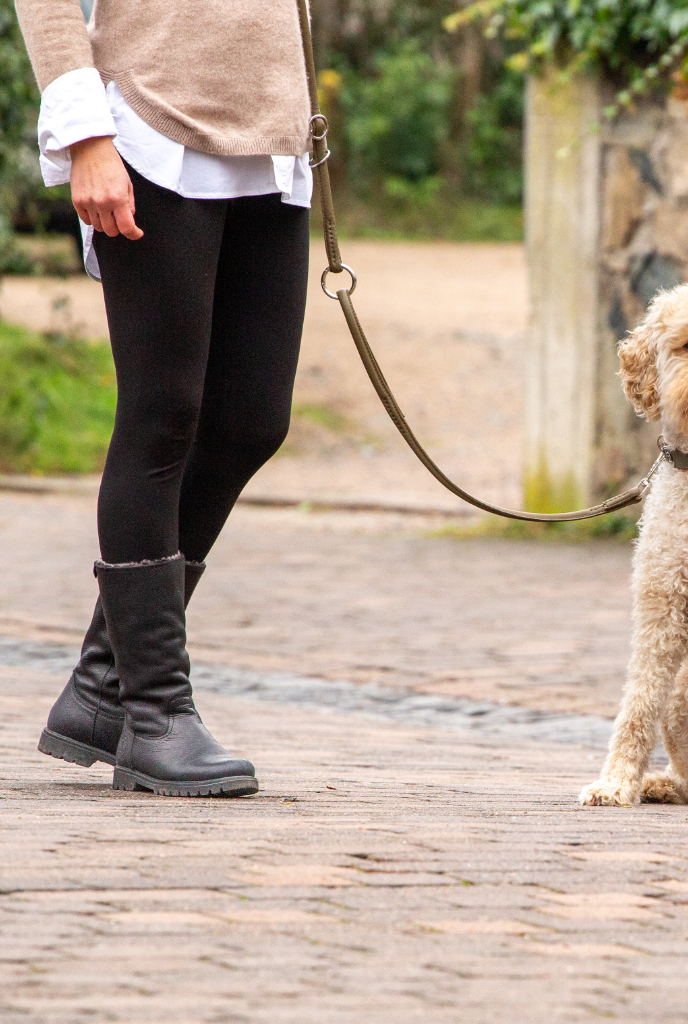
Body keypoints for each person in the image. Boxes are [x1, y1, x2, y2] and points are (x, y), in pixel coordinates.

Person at [16, 0, 316, 796]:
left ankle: (102, 686)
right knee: (163, 417)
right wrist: (86, 135)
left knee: (253, 419)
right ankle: (153, 713)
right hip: (148, 130)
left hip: (274, 137)